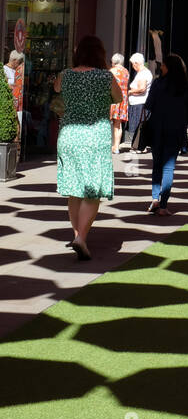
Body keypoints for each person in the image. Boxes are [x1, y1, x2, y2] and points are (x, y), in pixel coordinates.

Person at [54, 36, 122, 261]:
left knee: (74, 188)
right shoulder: (105, 76)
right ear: (99, 54)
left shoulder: (65, 75)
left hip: (69, 136)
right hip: (95, 137)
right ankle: (81, 237)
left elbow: (56, 89)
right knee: (92, 190)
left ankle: (77, 235)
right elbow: (119, 97)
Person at [144, 53, 188, 215]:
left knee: (156, 165)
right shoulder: (185, 86)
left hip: (157, 129)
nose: (161, 67)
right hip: (176, 130)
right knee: (168, 168)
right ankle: (163, 205)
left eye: (163, 65)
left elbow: (148, 105)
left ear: (168, 67)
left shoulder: (157, 83)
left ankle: (155, 198)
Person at [127, 53, 153, 146]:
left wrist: (130, 92)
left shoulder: (143, 73)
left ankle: (139, 146)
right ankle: (138, 146)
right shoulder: (143, 73)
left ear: (136, 63)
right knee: (139, 127)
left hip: (139, 104)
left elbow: (142, 89)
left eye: (133, 64)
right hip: (139, 103)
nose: (132, 66)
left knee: (138, 127)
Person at [109, 53, 129, 154]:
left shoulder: (112, 71)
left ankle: (107, 145)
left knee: (107, 122)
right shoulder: (126, 71)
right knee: (118, 124)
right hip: (123, 100)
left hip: (112, 99)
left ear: (114, 61)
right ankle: (116, 147)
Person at [4, 49, 24, 134]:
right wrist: (15, 86)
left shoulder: (17, 69)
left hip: (18, 100)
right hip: (11, 99)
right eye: (19, 62)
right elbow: (4, 84)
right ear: (14, 60)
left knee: (19, 121)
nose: (19, 64)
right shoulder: (4, 69)